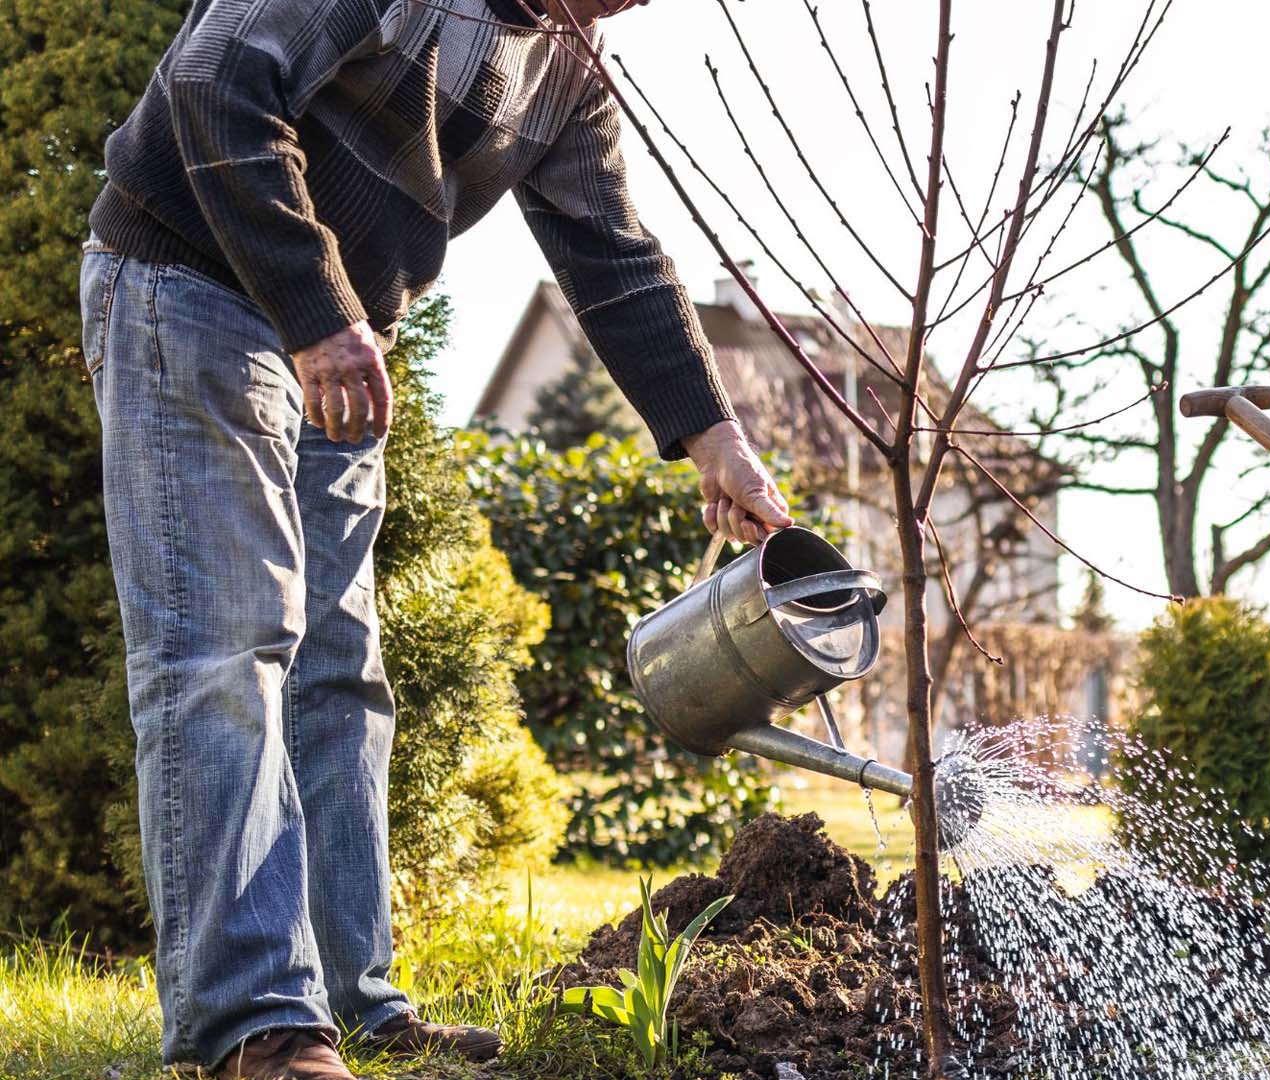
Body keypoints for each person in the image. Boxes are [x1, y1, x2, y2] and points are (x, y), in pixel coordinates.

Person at [79, 1, 791, 1076]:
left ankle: (354, 1003)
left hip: (339, 333)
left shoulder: (566, 66)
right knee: (228, 653)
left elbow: (616, 257)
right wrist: (318, 319)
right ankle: (254, 1025)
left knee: (336, 677)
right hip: (193, 281)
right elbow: (214, 79)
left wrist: (715, 439)